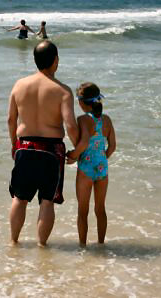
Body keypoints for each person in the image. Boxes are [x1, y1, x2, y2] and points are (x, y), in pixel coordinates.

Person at [7, 41, 79, 247]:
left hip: (24, 147)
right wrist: (77, 151)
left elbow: (11, 120)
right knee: (47, 200)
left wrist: (14, 144)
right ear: (56, 60)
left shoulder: (19, 85)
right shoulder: (62, 91)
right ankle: (41, 246)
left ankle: (13, 242)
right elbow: (71, 125)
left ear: (35, 60)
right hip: (50, 151)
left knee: (19, 198)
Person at [66, 82, 116, 247]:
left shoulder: (84, 120)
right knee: (100, 209)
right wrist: (102, 159)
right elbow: (113, 146)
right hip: (102, 168)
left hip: (86, 169)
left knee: (83, 211)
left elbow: (84, 143)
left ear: (81, 102)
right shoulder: (107, 120)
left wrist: (73, 156)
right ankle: (101, 243)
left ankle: (83, 246)